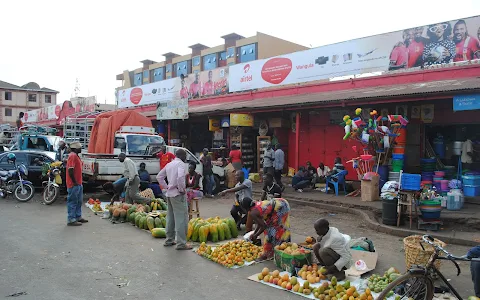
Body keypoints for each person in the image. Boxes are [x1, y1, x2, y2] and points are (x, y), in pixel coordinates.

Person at [157, 149, 191, 250]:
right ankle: (181, 243)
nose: (186, 158)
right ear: (182, 156)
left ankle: (169, 240)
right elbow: (180, 177)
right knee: (181, 218)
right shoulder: (180, 164)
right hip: (177, 194)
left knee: (170, 217)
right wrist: (181, 189)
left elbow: (159, 177)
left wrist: (167, 187)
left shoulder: (170, 164)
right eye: (185, 156)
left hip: (169, 194)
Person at [241, 197, 291, 261]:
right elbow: (260, 223)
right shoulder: (254, 208)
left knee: (273, 230)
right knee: (272, 228)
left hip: (281, 207)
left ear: (245, 208)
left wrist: (255, 235)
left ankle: (267, 254)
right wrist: (254, 233)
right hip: (278, 204)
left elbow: (264, 226)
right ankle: (279, 249)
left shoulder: (253, 212)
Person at [66, 142, 87, 226]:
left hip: (78, 183)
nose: (81, 149)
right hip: (74, 184)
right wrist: (74, 182)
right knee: (73, 201)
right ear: (75, 148)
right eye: (79, 148)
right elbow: (70, 170)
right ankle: (71, 219)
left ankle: (78, 216)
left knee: (79, 201)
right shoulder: (72, 156)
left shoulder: (76, 156)